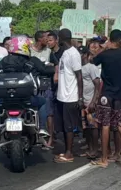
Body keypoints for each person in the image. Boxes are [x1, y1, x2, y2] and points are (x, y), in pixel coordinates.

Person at [0, 35, 53, 137]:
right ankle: (42, 128)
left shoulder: (4, 61)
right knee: (43, 102)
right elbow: (45, 70)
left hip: (6, 101)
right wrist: (54, 68)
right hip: (27, 100)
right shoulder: (31, 60)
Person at [91, 29, 121, 171]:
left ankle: (104, 159)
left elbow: (92, 59)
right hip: (120, 95)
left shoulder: (105, 54)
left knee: (105, 125)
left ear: (110, 39)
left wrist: (103, 48)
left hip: (106, 94)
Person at [54, 28, 83, 163]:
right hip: (62, 96)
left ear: (60, 38)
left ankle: (69, 153)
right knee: (65, 126)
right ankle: (67, 150)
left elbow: (79, 76)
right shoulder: (65, 53)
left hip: (71, 96)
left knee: (69, 126)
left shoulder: (73, 54)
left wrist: (80, 97)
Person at [78, 46, 101, 159]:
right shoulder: (79, 68)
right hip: (83, 102)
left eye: (82, 54)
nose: (81, 56)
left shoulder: (91, 67)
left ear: (86, 55)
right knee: (86, 128)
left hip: (91, 102)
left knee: (93, 127)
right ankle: (90, 148)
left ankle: (95, 150)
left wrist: (94, 101)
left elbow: (98, 84)